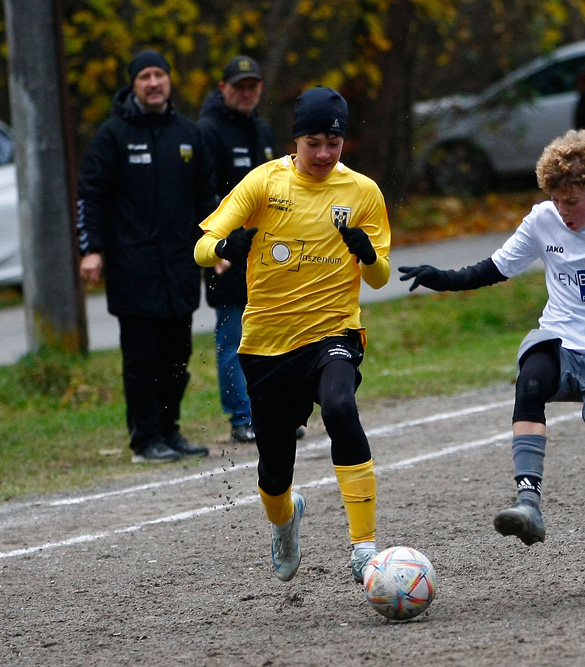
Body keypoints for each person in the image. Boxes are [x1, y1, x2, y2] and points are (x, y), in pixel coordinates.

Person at [398, 129, 585, 586]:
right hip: (564, 341)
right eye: (557, 201)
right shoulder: (545, 220)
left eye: (572, 202)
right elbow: (493, 268)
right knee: (532, 375)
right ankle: (528, 502)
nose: (563, 211)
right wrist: (441, 278)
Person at [194, 87, 391, 584]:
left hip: (333, 331)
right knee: (275, 471)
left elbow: (381, 277)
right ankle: (284, 521)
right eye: (313, 142)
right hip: (268, 344)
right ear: (296, 139)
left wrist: (366, 253)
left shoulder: (363, 193)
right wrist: (225, 243)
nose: (324, 154)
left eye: (333, 142)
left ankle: (364, 548)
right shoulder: (263, 183)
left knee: (341, 408)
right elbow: (201, 246)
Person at [77, 49, 215, 463]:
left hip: (179, 268)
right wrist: (92, 250)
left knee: (178, 357)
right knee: (142, 359)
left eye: (159, 75)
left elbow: (206, 197)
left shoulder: (188, 134)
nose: (153, 83)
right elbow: (91, 196)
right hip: (133, 269)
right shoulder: (112, 136)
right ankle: (145, 439)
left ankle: (170, 432)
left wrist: (216, 243)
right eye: (145, 77)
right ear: (133, 84)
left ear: (169, 81)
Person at [197, 55, 275, 443]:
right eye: (239, 86)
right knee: (233, 336)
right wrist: (220, 246)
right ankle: (241, 418)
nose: (246, 93)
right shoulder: (208, 132)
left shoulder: (262, 131)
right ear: (222, 89)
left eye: (252, 87)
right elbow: (204, 194)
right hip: (228, 254)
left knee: (270, 333)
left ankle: (271, 412)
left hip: (267, 254)